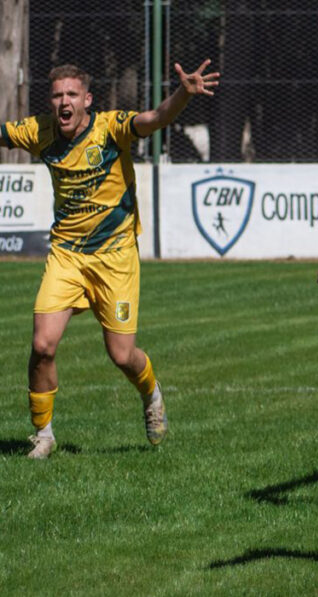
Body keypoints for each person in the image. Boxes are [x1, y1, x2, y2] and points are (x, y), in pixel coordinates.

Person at [1, 61, 220, 459]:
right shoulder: (39, 131)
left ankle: (151, 393)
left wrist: (183, 94)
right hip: (67, 255)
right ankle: (43, 435)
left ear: (87, 100)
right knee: (42, 345)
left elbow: (155, 118)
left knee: (121, 355)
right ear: (50, 101)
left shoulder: (110, 128)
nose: (64, 102)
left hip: (115, 257)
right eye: (57, 95)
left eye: (72, 94)